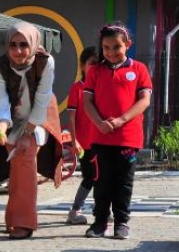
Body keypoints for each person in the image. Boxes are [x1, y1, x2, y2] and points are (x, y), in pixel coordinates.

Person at [83, 23, 152, 239]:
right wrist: (100, 123)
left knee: (123, 183)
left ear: (127, 45)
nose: (111, 52)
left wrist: (120, 120)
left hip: (127, 138)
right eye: (106, 48)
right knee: (101, 182)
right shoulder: (95, 71)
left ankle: (121, 223)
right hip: (100, 137)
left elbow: (144, 101)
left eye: (116, 47)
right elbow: (87, 101)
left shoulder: (139, 69)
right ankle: (99, 223)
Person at [0, 21, 58, 240]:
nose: (18, 51)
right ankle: (14, 218)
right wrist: (1, 128)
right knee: (17, 168)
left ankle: (24, 222)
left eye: (23, 45)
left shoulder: (45, 62)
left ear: (33, 43)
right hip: (11, 118)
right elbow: (0, 102)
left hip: (40, 116)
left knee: (26, 159)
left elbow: (42, 99)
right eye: (13, 45)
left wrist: (28, 133)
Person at [65, 46, 98, 225]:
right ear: (83, 66)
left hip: (102, 142)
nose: (95, 67)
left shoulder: (103, 88)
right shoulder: (77, 88)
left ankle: (102, 210)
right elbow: (71, 117)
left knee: (103, 177)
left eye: (98, 63)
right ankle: (75, 210)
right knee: (90, 177)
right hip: (85, 143)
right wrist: (74, 140)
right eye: (92, 63)